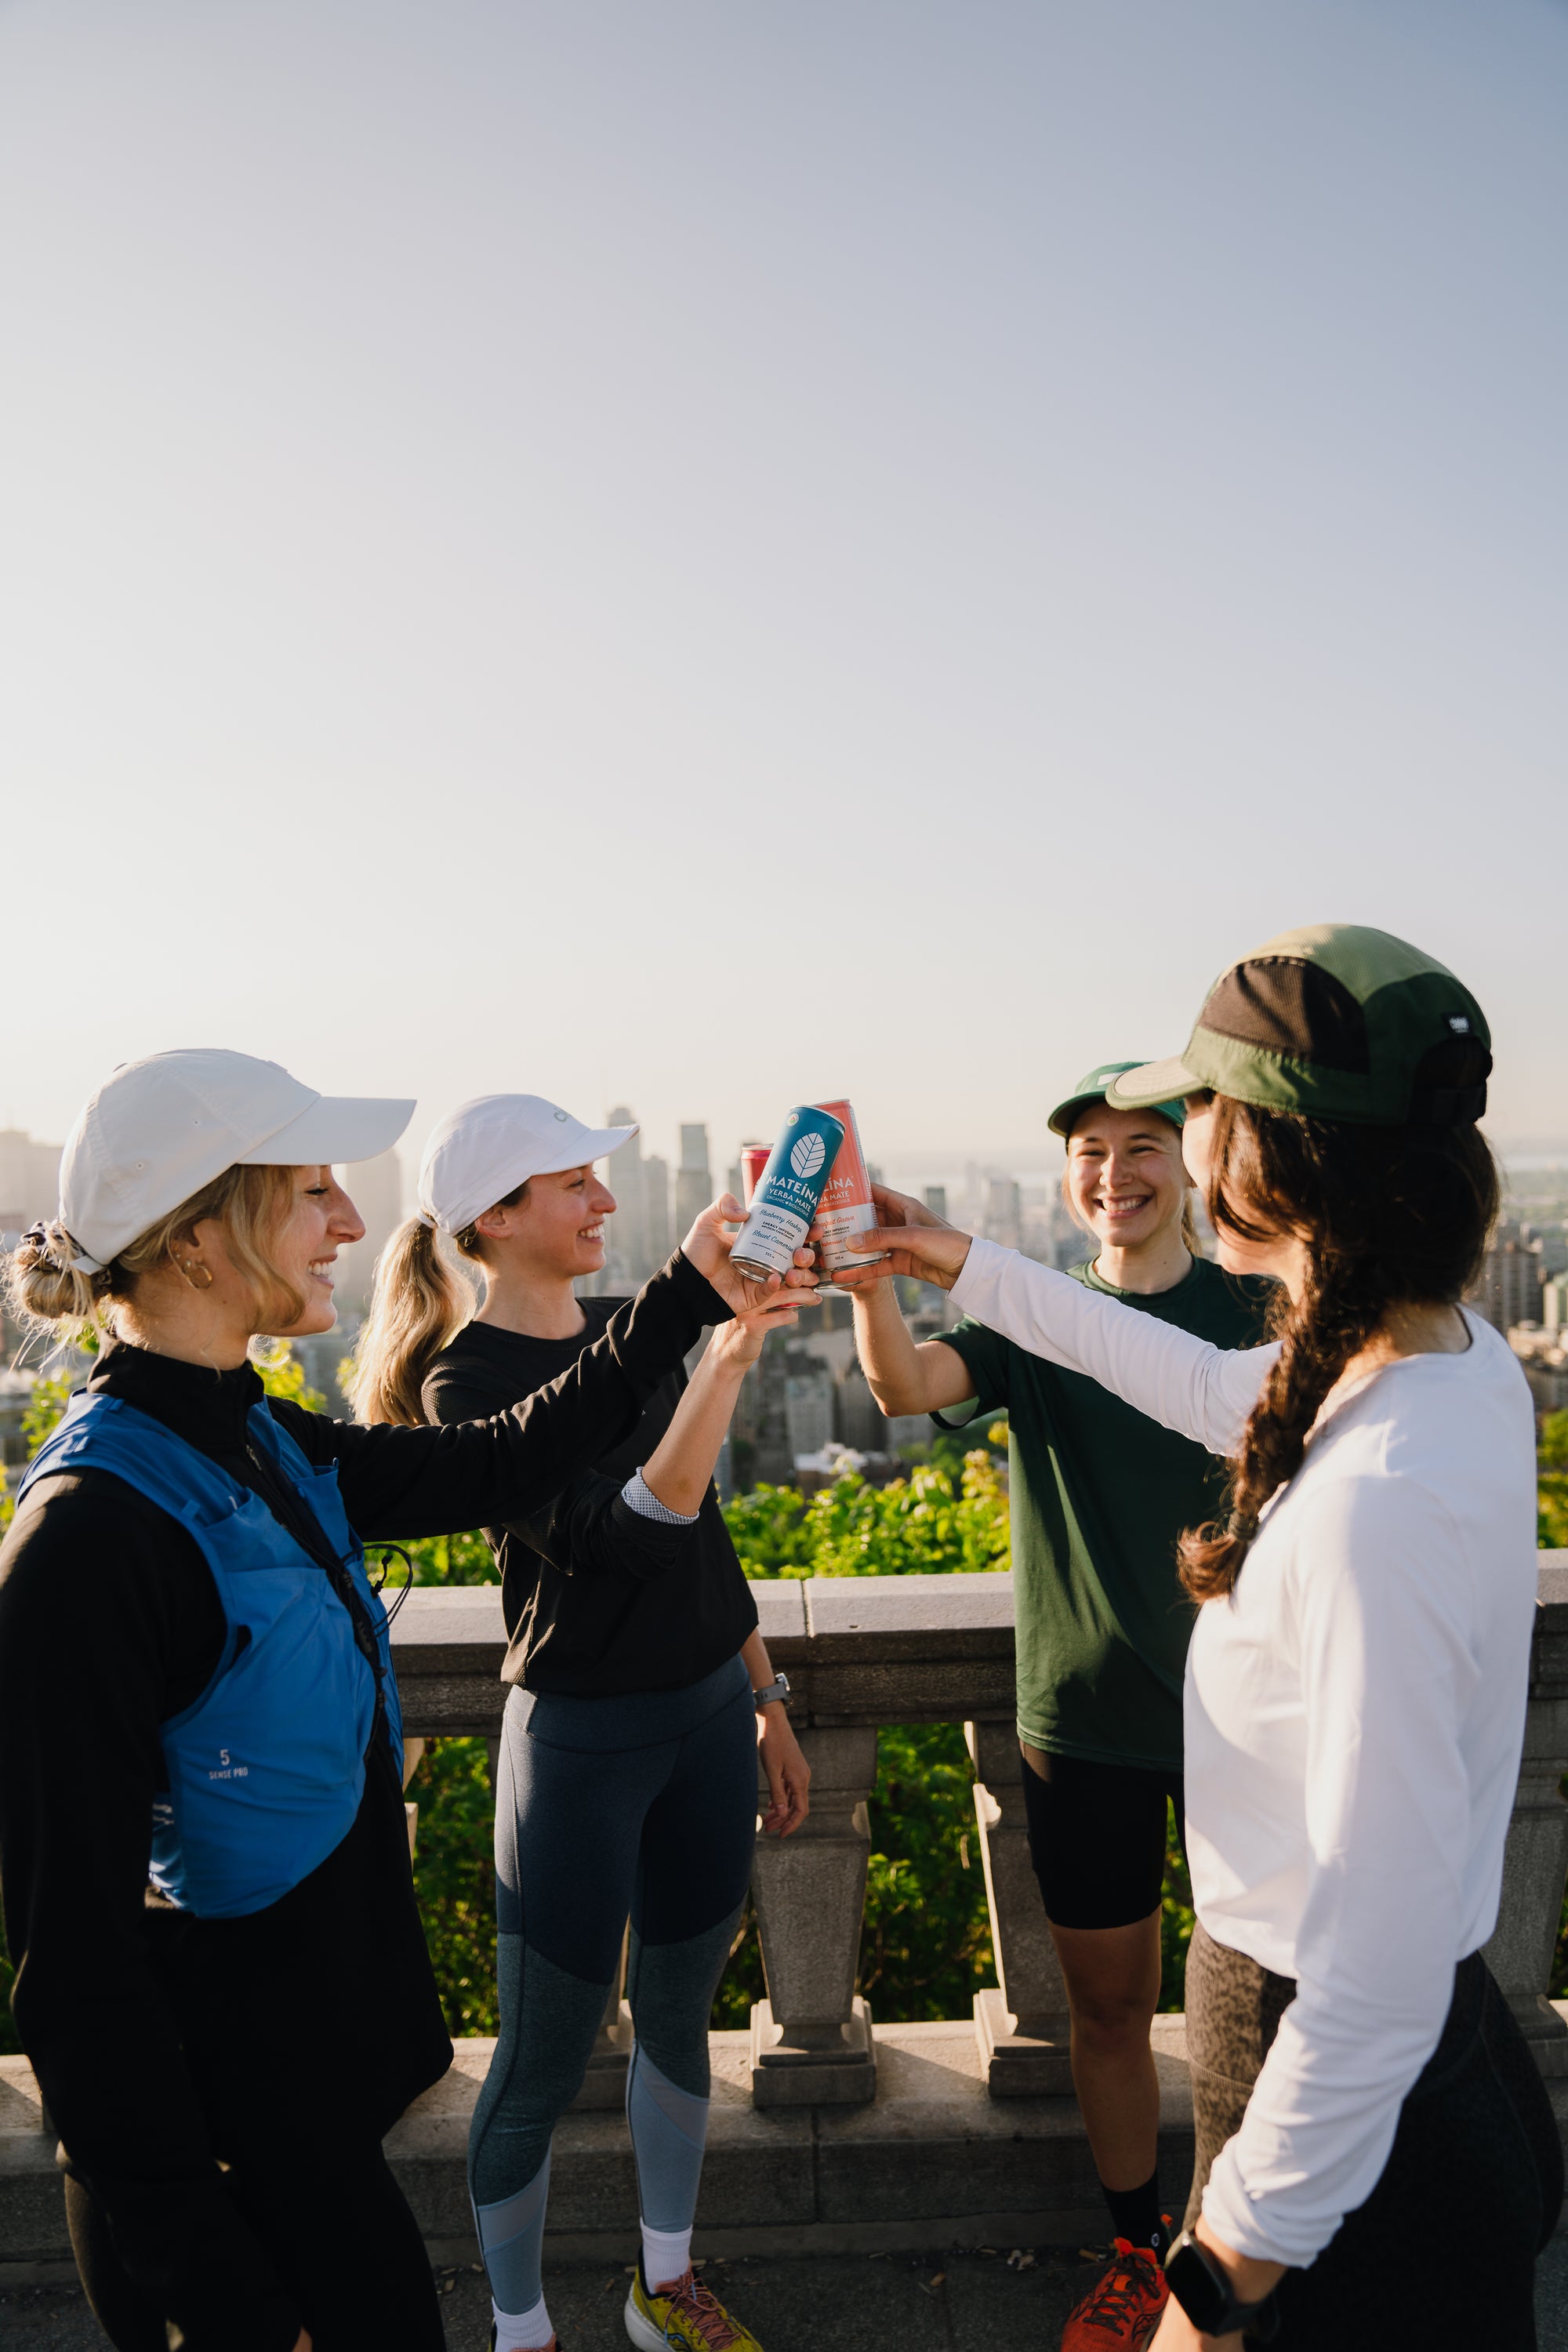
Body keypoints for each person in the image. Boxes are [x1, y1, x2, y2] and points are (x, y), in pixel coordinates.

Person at [0, 1049, 809, 2352]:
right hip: (219, 2176)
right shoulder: (90, 1538)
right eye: (313, 1190)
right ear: (200, 1238)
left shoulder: (256, 1437)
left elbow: (495, 1462)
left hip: (309, 2114)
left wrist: (687, 1300)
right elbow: (75, 1970)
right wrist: (231, 2302)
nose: (355, 1224)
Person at [836, 927, 1561, 2352]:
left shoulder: (1377, 1502)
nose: (1187, 1136)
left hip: (1347, 2126)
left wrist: (1216, 2283)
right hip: (1410, 2081)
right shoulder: (1448, 1364)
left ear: (1267, 1159)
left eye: (1204, 1109)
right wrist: (953, 1259)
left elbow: (1375, 1975)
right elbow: (1183, 1373)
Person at [350, 1093, 813, 2352]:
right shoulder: (469, 1384)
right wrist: (720, 1360)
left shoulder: (632, 1328)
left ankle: (666, 2284)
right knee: (541, 2063)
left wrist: (763, 1691)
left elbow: (705, 1541)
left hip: (709, 1719)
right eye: (574, 1185)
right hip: (584, 1748)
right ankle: (521, 2330)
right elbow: (618, 1544)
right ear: (495, 1222)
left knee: (680, 2021)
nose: (605, 1202)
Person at [841, 1064, 1273, 2349]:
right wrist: (872, 1278)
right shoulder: (1037, 1314)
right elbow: (905, 1389)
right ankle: (1139, 2248)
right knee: (1107, 2006)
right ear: (1064, 1178)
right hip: (1079, 1720)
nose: (1114, 1173)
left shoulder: (1255, 1308)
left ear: (1191, 1166)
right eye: (1089, 1151)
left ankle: (1253, 2245)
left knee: (1265, 1999)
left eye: (1143, 1146)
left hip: (1240, 1718)